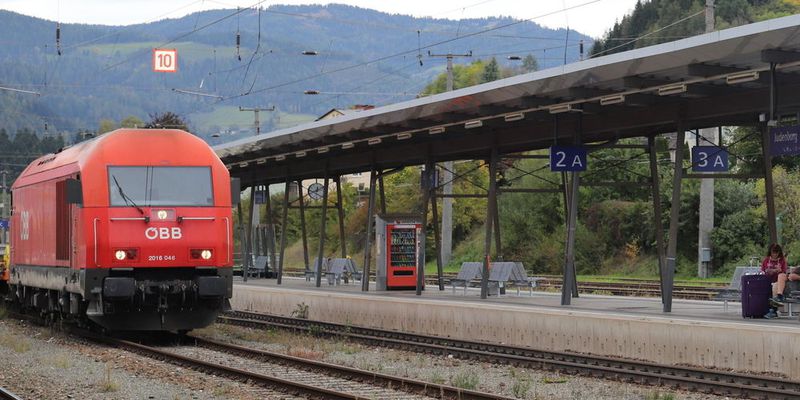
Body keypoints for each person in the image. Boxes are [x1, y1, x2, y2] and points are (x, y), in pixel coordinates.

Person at [761, 243, 792, 319]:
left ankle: (773, 311)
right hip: (767, 281)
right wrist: (768, 271)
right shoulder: (766, 260)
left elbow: (784, 272)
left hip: (778, 281)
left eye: (776, 252)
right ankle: (773, 310)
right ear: (770, 252)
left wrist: (778, 270)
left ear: (779, 252)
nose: (775, 254)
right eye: (773, 252)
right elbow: (762, 271)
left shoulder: (782, 260)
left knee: (775, 285)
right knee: (773, 286)